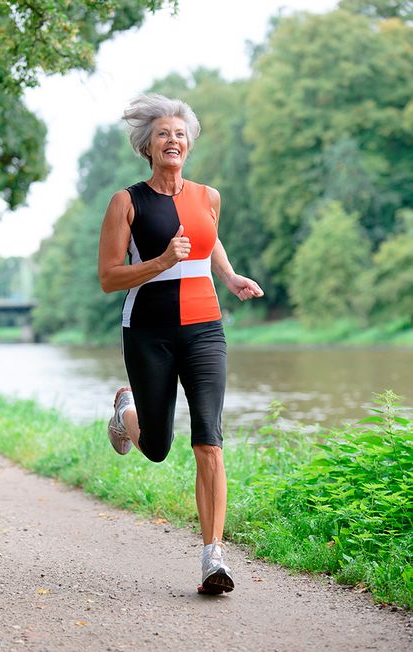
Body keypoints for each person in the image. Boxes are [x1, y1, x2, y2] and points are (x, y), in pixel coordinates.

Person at [98, 94, 264, 594]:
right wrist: (160, 263)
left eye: (180, 133)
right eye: (164, 134)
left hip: (205, 328)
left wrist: (230, 277)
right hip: (147, 331)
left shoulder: (208, 195)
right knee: (155, 446)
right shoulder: (127, 202)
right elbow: (108, 278)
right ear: (147, 146)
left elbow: (208, 237)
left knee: (209, 439)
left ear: (189, 144)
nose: (174, 140)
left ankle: (214, 557)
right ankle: (125, 409)